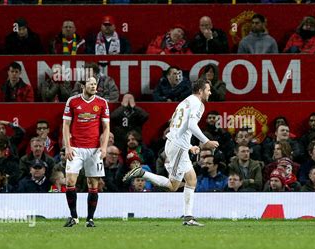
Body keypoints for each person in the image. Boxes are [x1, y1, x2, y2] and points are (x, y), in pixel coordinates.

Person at [122, 78, 219, 226]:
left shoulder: (185, 102)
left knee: (191, 180)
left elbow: (179, 126)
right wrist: (206, 141)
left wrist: (189, 146)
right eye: (208, 89)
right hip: (177, 146)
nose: (210, 92)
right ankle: (142, 173)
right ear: (200, 91)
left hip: (177, 145)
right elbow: (191, 125)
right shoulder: (198, 104)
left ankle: (188, 217)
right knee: (173, 186)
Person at [62, 76, 110, 228]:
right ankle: (74, 217)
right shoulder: (73, 101)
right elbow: (66, 125)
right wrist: (68, 146)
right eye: (91, 84)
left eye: (95, 84)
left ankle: (90, 219)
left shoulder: (102, 103)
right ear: (83, 86)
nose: (94, 86)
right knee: (70, 181)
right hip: (75, 147)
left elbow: (106, 127)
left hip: (94, 149)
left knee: (93, 184)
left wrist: (104, 147)